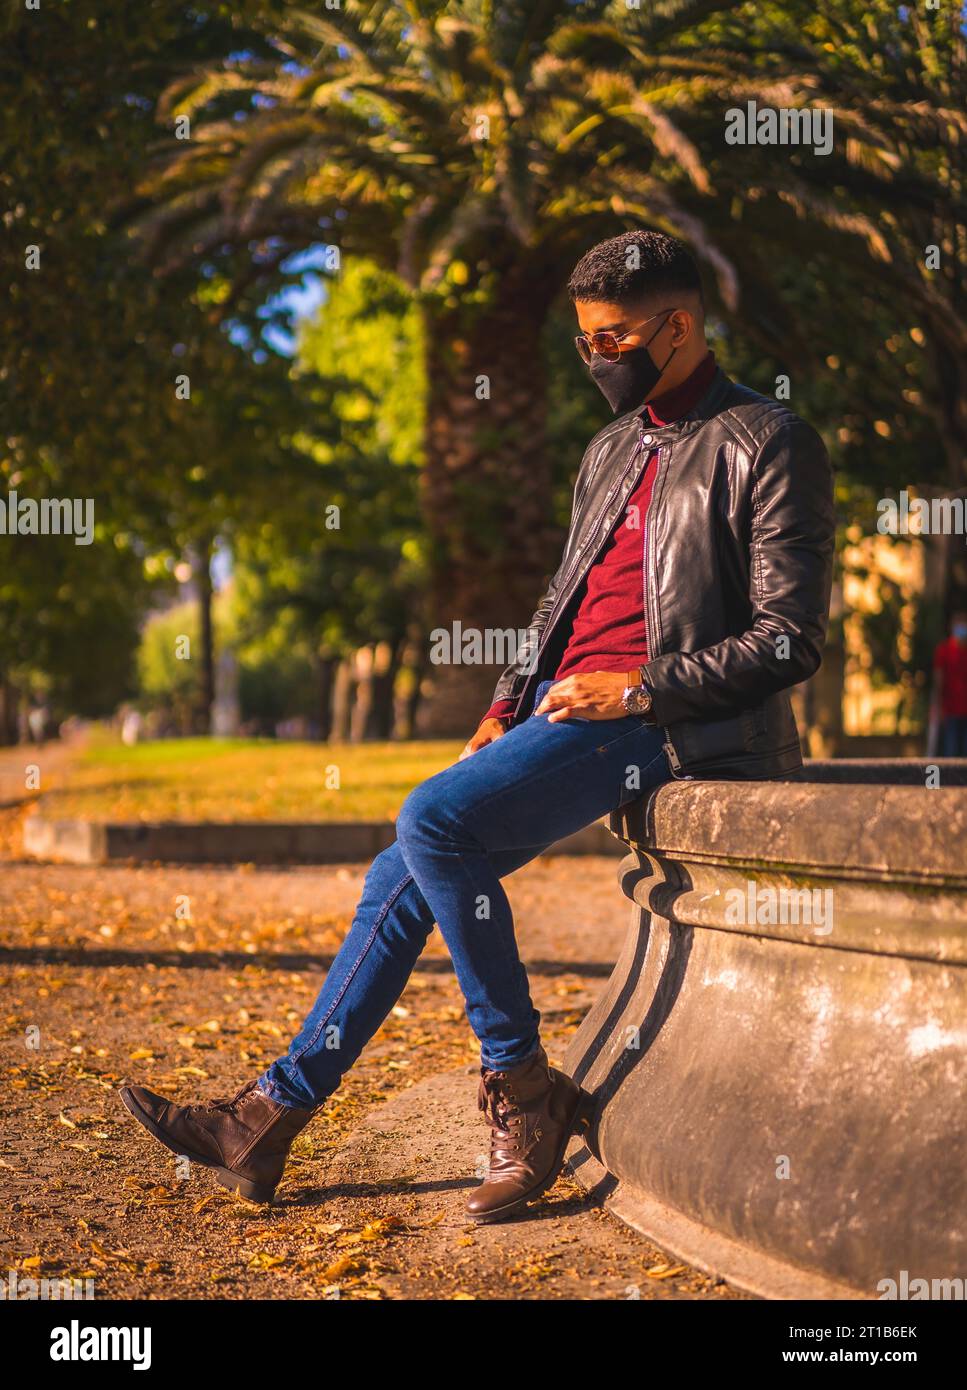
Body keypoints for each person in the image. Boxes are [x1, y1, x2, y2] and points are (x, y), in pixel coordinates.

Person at [120, 231, 835, 1224]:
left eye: (612, 338)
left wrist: (638, 687)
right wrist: (503, 706)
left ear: (677, 327)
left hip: (676, 724)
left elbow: (788, 641)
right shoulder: (611, 448)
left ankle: (524, 1087)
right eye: (583, 342)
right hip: (573, 711)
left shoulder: (765, 440)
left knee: (434, 822)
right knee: (397, 874)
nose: (595, 360)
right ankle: (266, 1119)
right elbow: (561, 604)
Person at [931, 610, 967, 756]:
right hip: (950, 710)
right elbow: (938, 681)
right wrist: (937, 707)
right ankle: (948, 779)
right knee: (950, 752)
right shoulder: (944, 650)